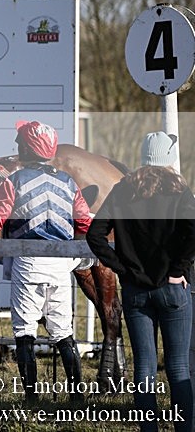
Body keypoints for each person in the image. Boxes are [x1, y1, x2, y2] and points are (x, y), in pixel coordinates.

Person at [0, 120, 91, 403]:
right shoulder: (68, 182)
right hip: (61, 264)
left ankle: (31, 397)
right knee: (63, 331)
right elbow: (85, 220)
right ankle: (76, 397)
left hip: (28, 263)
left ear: (27, 148)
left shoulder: (13, 181)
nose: (15, 146)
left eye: (18, 142)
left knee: (24, 330)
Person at [87, 131, 195, 432]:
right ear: (168, 158)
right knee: (177, 367)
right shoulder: (180, 190)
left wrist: (122, 268)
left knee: (144, 367)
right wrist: (178, 268)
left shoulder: (123, 189)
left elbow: (95, 235)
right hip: (173, 289)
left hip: (135, 290)